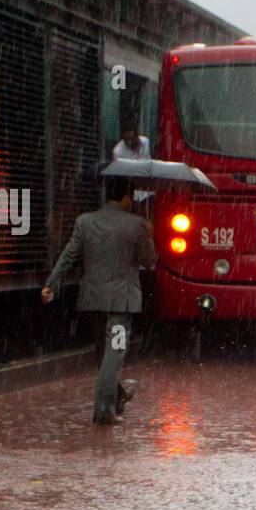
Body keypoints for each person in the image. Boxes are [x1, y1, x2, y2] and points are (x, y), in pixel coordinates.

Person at [41, 176, 156, 425]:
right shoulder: (136, 225)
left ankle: (118, 395)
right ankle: (104, 410)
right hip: (121, 303)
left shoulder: (85, 222)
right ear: (126, 197)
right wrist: (149, 236)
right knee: (115, 353)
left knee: (104, 354)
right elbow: (149, 261)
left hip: (93, 300)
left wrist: (51, 283)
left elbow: (69, 255)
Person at [112, 123, 153, 205]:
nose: (130, 143)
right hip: (130, 193)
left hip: (147, 192)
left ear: (137, 136)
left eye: (132, 139)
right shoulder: (118, 152)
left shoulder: (145, 142)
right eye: (127, 141)